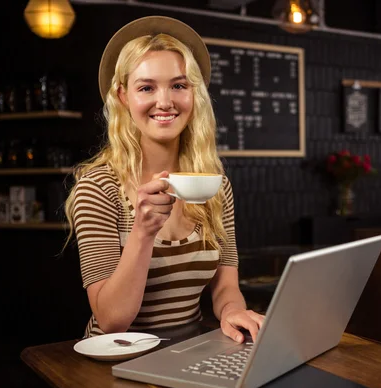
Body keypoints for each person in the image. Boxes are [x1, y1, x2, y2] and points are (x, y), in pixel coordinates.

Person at [64, 16, 264, 343]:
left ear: (193, 94)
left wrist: (232, 311)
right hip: (116, 359)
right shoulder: (97, 189)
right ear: (123, 96)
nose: (165, 102)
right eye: (146, 87)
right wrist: (143, 232)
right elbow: (112, 320)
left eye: (178, 85)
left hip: (187, 352)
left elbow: (226, 286)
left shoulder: (215, 187)